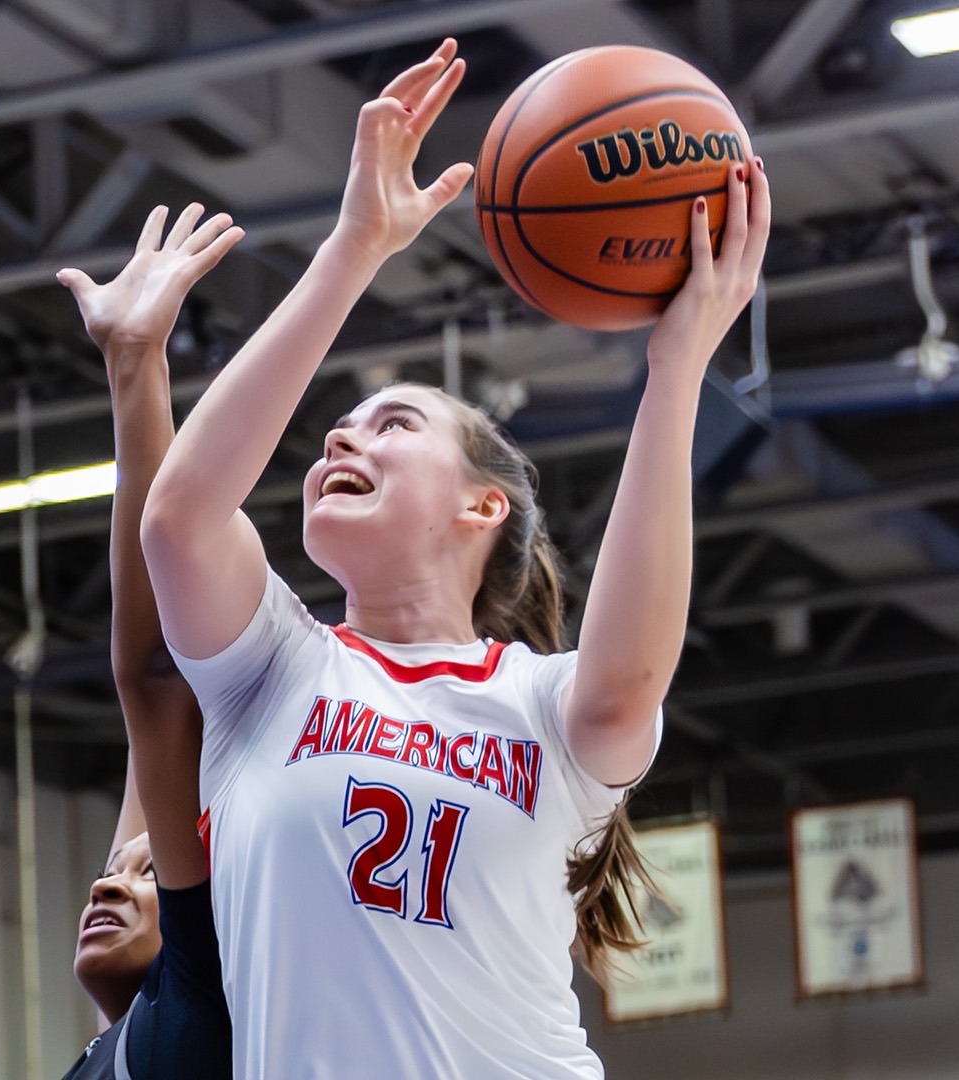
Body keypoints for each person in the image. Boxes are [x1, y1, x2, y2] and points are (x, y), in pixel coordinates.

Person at [139, 38, 768, 1079]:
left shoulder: (539, 708)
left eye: (390, 425)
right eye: (338, 429)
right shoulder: (271, 675)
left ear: (482, 504)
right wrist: (355, 247)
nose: (341, 439)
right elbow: (180, 518)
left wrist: (677, 368)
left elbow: (628, 685)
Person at [56, 203, 245, 1080]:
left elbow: (155, 670)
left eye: (143, 876)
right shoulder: (114, 1050)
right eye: (117, 871)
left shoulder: (196, 1018)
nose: (107, 883)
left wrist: (137, 370)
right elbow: (147, 726)